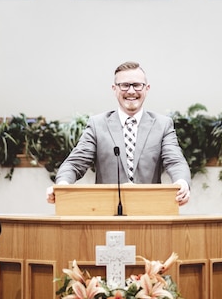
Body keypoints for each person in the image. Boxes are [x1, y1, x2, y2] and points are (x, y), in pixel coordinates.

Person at [46, 61, 191, 205]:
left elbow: (175, 161)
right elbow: (75, 164)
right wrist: (62, 185)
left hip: (149, 210)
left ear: (147, 88)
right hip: (105, 212)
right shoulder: (97, 124)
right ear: (114, 89)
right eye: (125, 85)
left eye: (137, 85)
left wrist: (182, 183)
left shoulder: (162, 124)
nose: (131, 91)